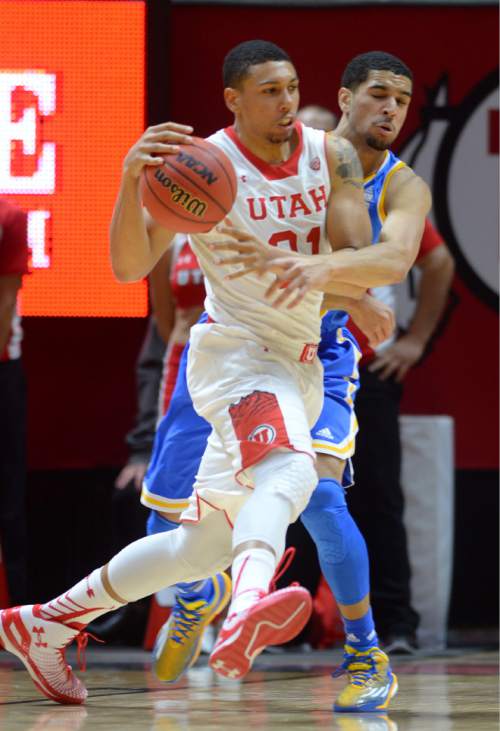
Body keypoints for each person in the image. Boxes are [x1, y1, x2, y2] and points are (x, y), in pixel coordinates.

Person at [0, 43, 429, 714]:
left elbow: (360, 257)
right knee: (291, 474)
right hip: (237, 354)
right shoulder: (204, 165)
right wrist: (125, 181)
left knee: (199, 546)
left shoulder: (331, 155)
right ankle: (246, 610)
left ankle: (45, 621)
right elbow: (125, 266)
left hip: (305, 357)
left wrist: (342, 287)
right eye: (269, 91)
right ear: (233, 99)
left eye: (291, 87)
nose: (286, 102)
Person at [347, 219, 455, 652]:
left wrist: (416, 340)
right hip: (299, 360)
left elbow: (439, 260)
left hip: (367, 366)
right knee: (294, 491)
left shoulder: (385, 192)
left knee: (378, 494)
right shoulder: (293, 184)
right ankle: (290, 626)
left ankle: (395, 624)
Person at [0, 198, 29, 607]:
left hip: (2, 365)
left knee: (7, 500)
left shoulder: (9, 215)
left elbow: (6, 300)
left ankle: (16, 613)